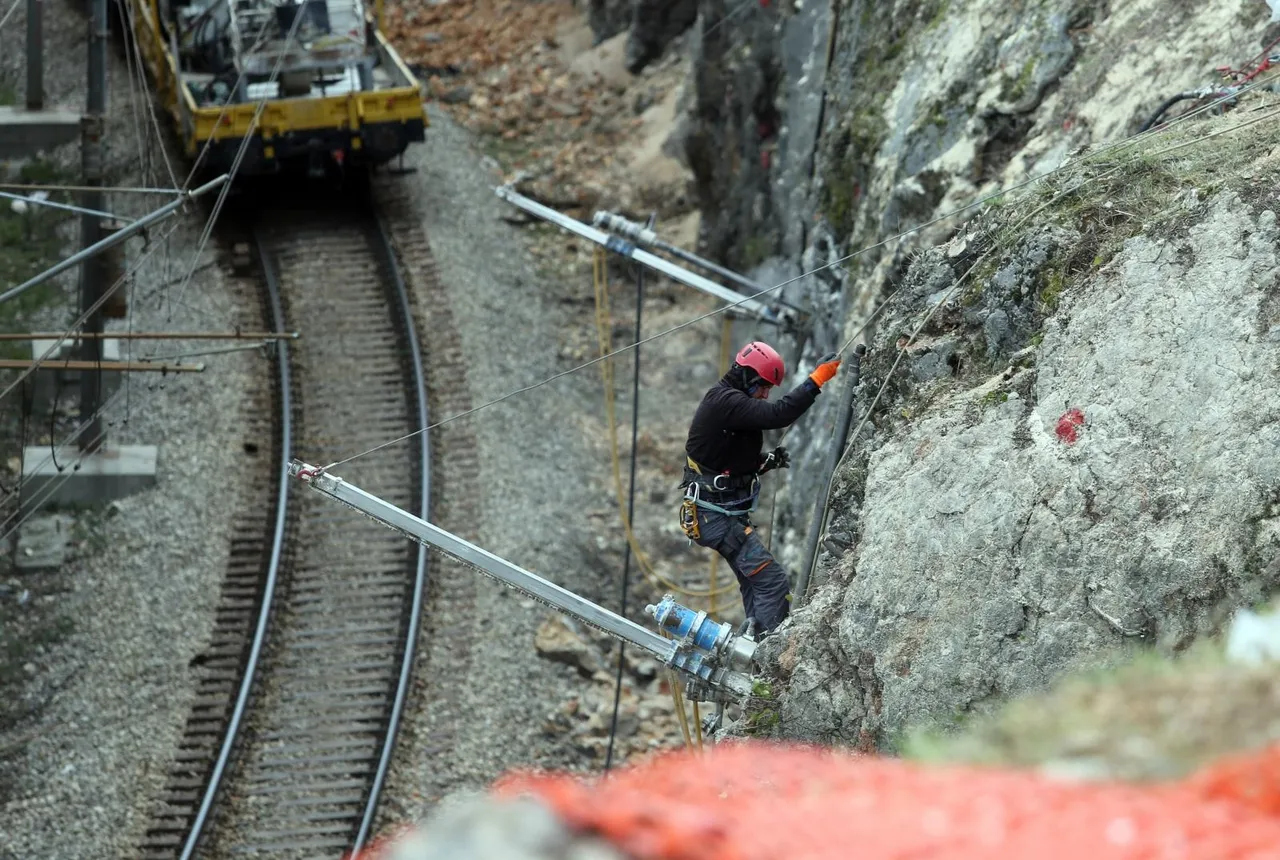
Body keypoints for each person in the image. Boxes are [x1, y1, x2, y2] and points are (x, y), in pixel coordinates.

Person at [678, 341, 841, 635]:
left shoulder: (729, 404)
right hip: (716, 516)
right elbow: (777, 414)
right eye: (763, 386)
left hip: (716, 515)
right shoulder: (725, 401)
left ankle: (752, 643)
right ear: (747, 376)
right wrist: (817, 380)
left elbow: (723, 457)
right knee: (772, 581)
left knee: (754, 581)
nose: (766, 394)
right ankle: (766, 657)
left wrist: (764, 462)